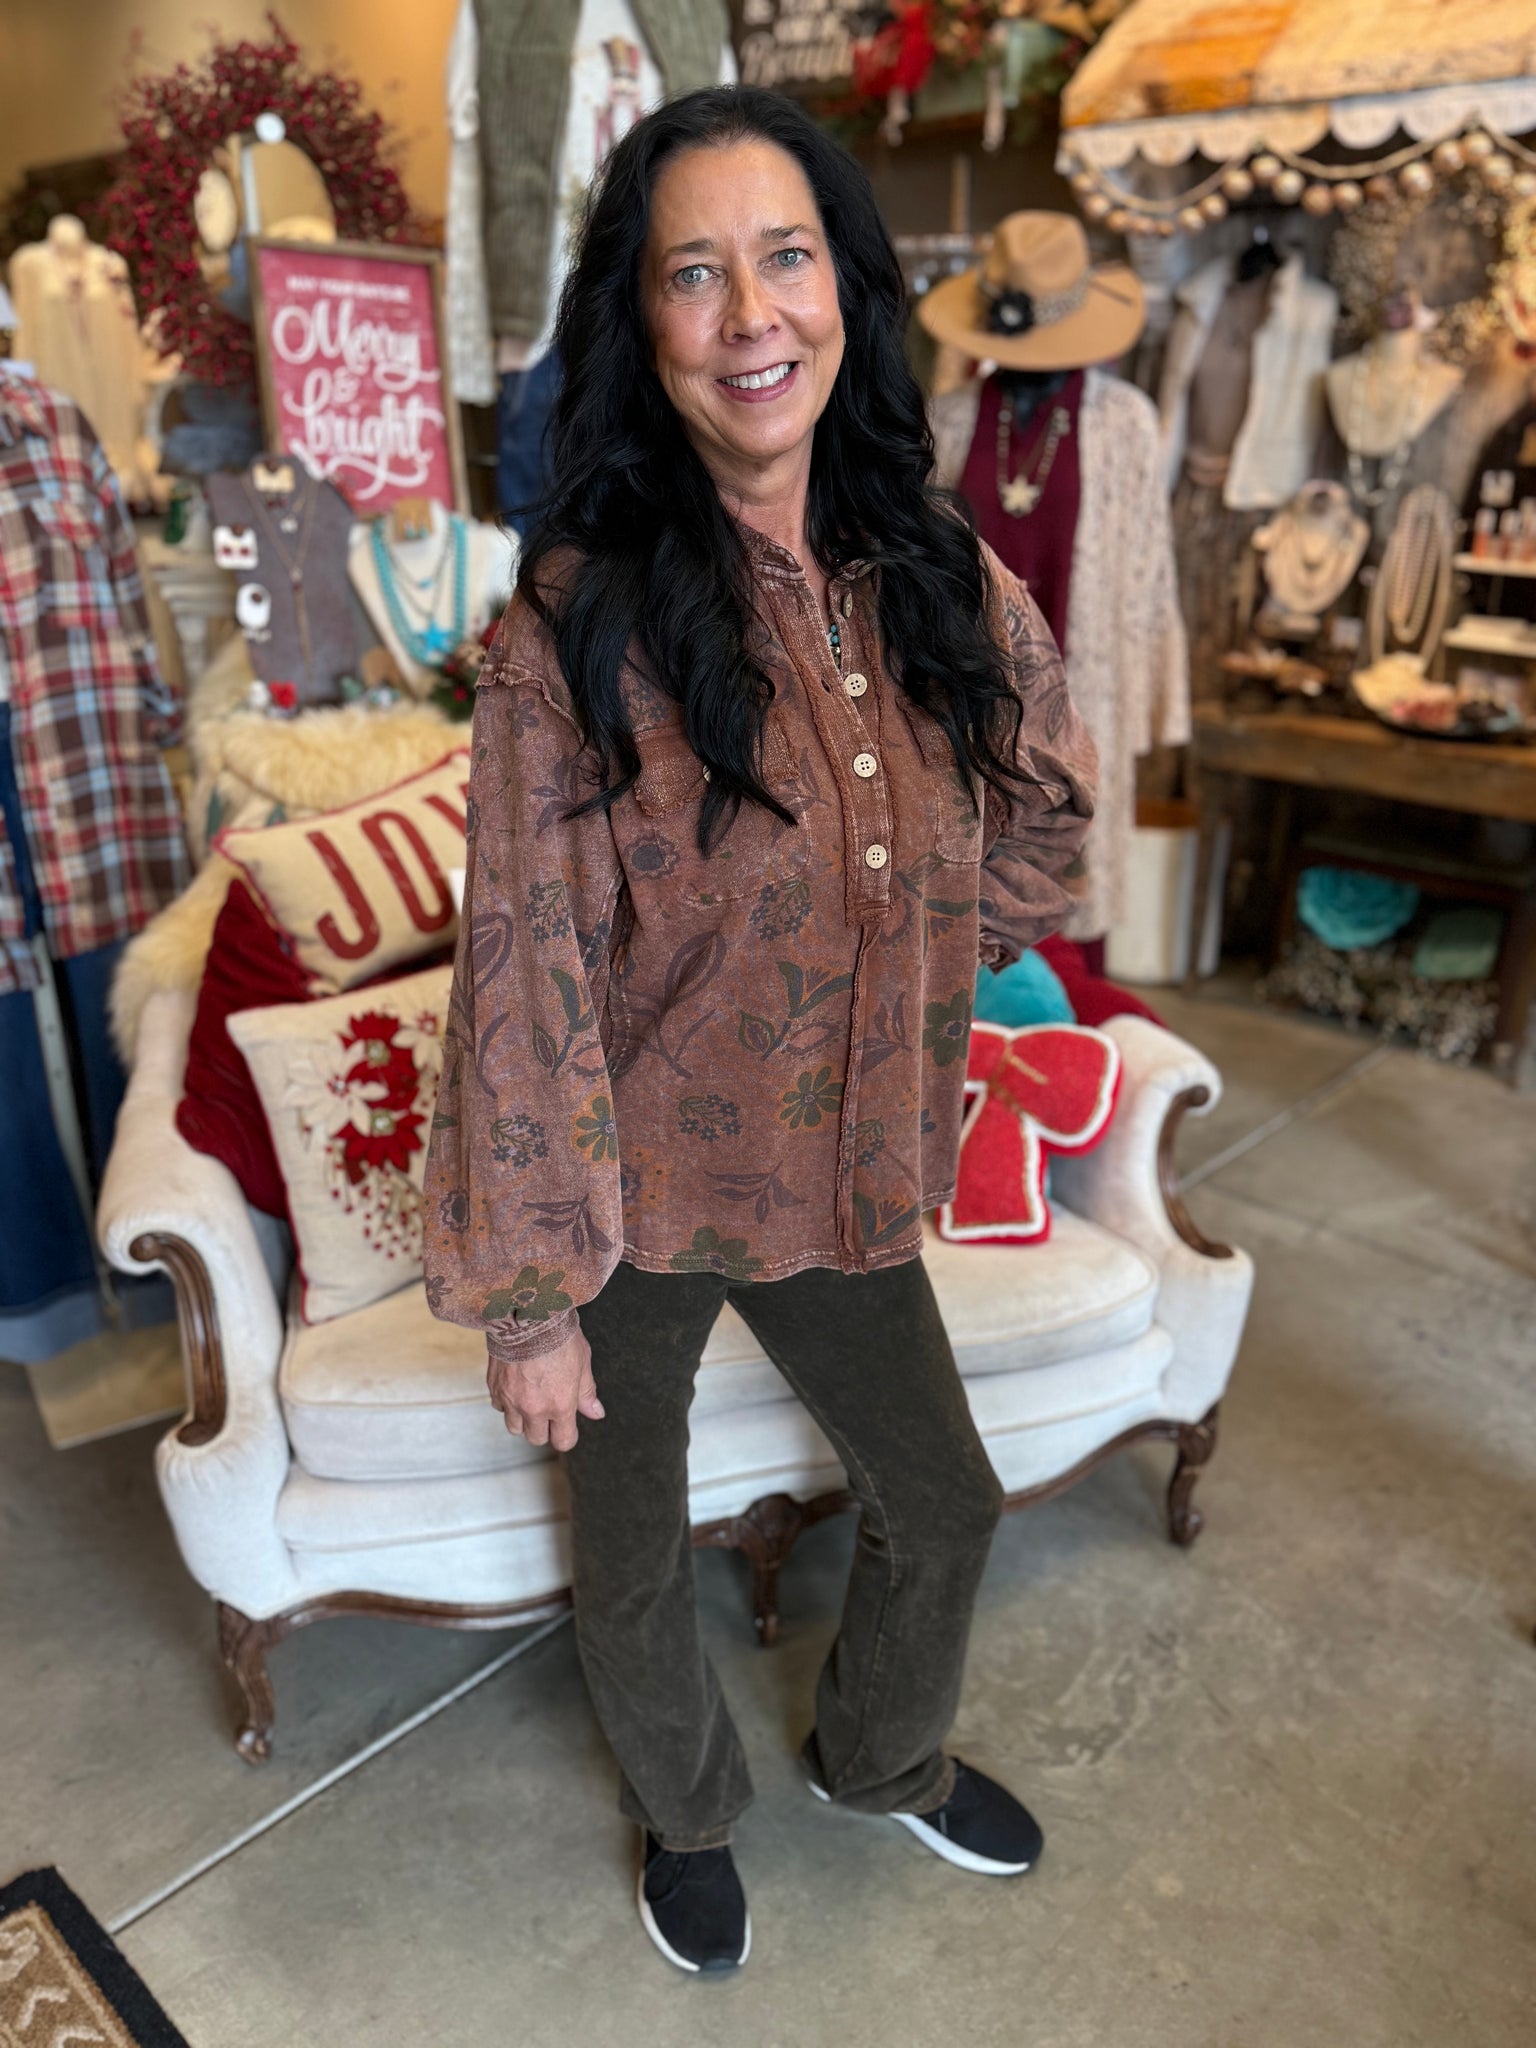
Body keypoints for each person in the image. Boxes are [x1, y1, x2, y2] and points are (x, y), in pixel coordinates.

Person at [423, 84, 1097, 1976]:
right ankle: (690, 1812)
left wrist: (924, 966)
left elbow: (1043, 812)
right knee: (631, 1552)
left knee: (943, 1502)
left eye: (784, 258)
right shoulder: (576, 626)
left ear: (845, 289)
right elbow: (524, 962)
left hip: (845, 1167)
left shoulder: (937, 570)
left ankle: (883, 1758)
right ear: (641, 324)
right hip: (631, 1195)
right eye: (692, 274)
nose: (749, 317)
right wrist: (532, 1298)